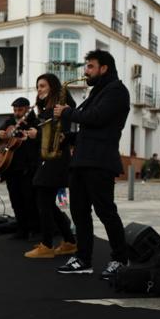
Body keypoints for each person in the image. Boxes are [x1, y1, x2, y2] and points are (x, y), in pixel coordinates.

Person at [54, 49, 130, 279]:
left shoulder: (116, 91)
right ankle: (83, 258)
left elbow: (98, 118)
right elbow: (90, 129)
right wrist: (69, 138)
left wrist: (68, 112)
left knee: (106, 212)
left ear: (104, 68)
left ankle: (119, 259)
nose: (85, 71)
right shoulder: (97, 92)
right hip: (82, 161)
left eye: (90, 66)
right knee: (79, 213)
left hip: (100, 162)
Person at [24, 73, 77, 259]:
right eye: (38, 86)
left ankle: (47, 245)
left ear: (52, 88)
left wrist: (36, 135)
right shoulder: (45, 108)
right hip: (50, 158)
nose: (39, 90)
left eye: (43, 86)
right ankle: (69, 241)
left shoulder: (60, 107)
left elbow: (58, 134)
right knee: (46, 202)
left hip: (57, 158)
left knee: (43, 199)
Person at [0, 97, 41, 239]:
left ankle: (34, 230)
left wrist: (25, 134)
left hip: (28, 169)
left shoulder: (35, 123)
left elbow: (38, 142)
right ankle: (21, 229)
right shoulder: (9, 122)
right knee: (16, 201)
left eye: (20, 110)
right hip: (11, 168)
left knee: (30, 201)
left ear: (27, 109)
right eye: (15, 110)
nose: (17, 113)